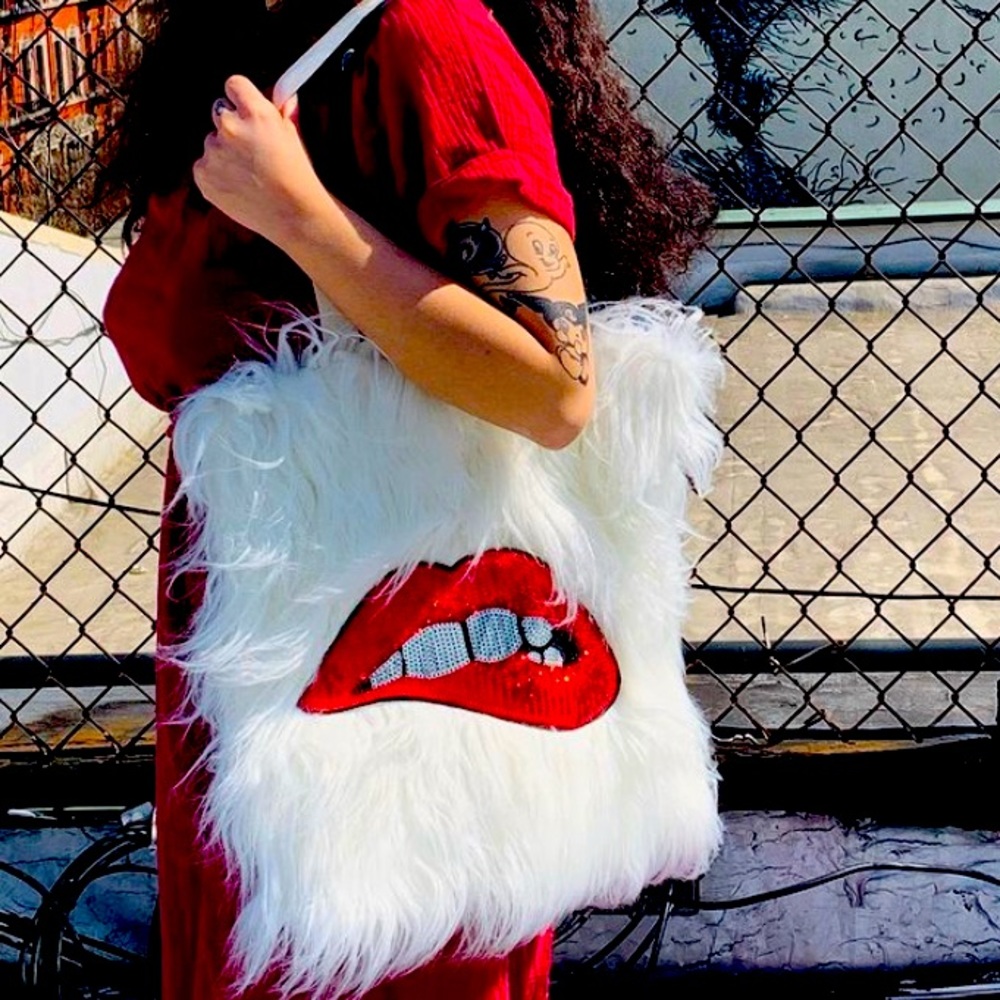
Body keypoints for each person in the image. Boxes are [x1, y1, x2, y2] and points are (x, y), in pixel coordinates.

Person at [103, 0, 721, 997]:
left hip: (394, 712)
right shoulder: (253, 43)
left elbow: (553, 385)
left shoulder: (427, 38)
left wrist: (303, 217)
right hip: (264, 674)